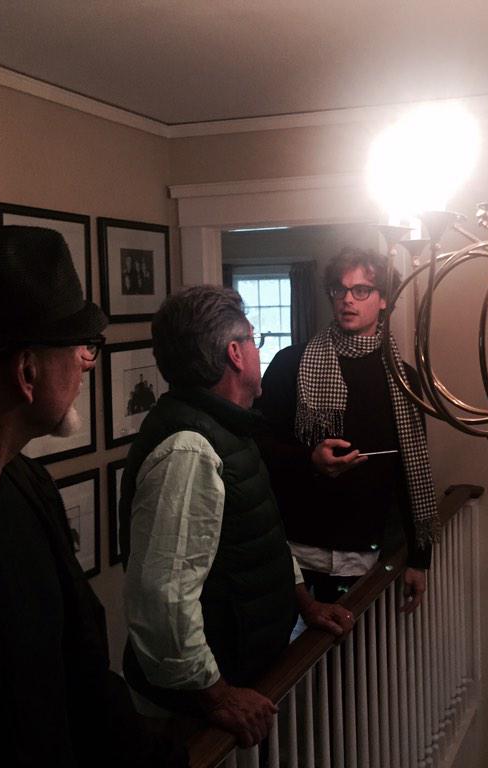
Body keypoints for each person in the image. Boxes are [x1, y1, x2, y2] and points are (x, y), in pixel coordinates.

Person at [0, 226, 183, 767]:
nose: (87, 362)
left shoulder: (28, 484)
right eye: (81, 347)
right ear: (27, 371)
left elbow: (83, 678)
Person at [120, 285, 354, 748]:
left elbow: (259, 535)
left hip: (250, 672)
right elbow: (164, 598)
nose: (257, 350)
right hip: (197, 714)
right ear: (234, 353)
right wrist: (217, 696)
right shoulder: (189, 447)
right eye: (254, 339)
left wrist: (305, 604)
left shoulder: (229, 426)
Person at [256, 247, 439, 609]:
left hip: (369, 553)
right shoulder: (291, 364)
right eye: (340, 290)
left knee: (361, 645)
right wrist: (309, 459)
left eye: (361, 290)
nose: (347, 300)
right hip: (293, 550)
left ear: (384, 299)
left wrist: (420, 559)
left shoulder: (404, 379)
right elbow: (257, 444)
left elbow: (411, 468)